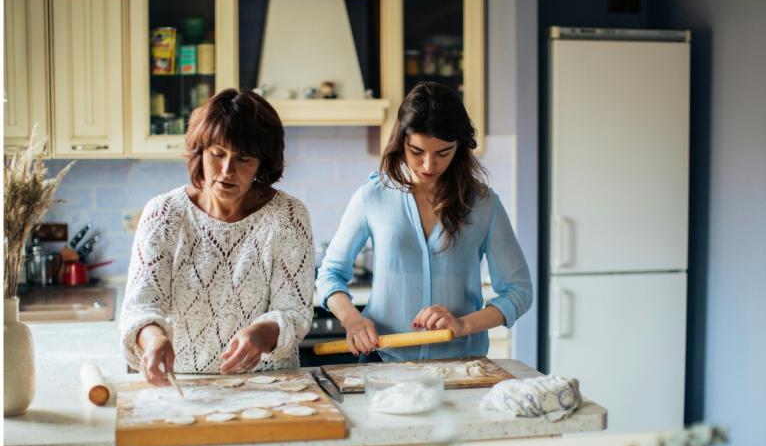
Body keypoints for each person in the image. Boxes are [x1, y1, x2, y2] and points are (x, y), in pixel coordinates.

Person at [316, 82, 532, 362]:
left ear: (459, 147)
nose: (429, 165)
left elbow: (519, 291)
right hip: (383, 364)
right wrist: (352, 320)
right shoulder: (372, 196)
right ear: (401, 141)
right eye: (417, 151)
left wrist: (463, 325)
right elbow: (330, 274)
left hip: (461, 367)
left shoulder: (484, 204)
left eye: (443, 153)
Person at [120, 88, 314, 385]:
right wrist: (154, 339)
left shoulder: (287, 216)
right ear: (200, 152)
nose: (227, 170)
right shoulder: (164, 215)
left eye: (243, 158)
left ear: (262, 162)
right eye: (217, 154)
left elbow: (295, 313)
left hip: (268, 386)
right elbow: (140, 306)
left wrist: (261, 334)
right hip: (183, 386)